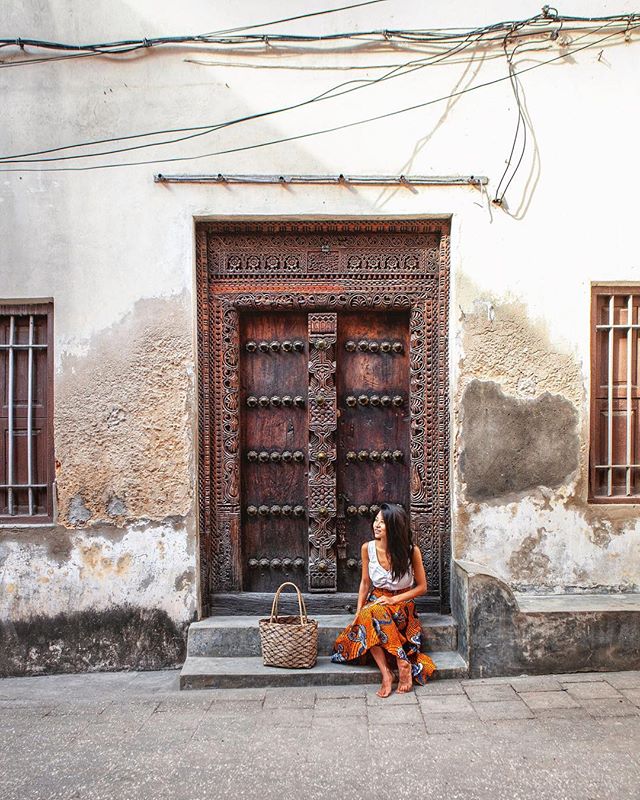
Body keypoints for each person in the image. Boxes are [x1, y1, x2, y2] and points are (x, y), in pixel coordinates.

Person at [331, 502, 436, 697]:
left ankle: (396, 666)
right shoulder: (367, 549)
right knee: (369, 612)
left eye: (382, 522)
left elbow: (422, 588)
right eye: (376, 521)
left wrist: (394, 601)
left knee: (372, 612)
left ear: (394, 526)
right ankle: (391, 670)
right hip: (377, 600)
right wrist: (358, 611)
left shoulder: (411, 551)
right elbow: (364, 583)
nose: (376, 525)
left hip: (402, 606)